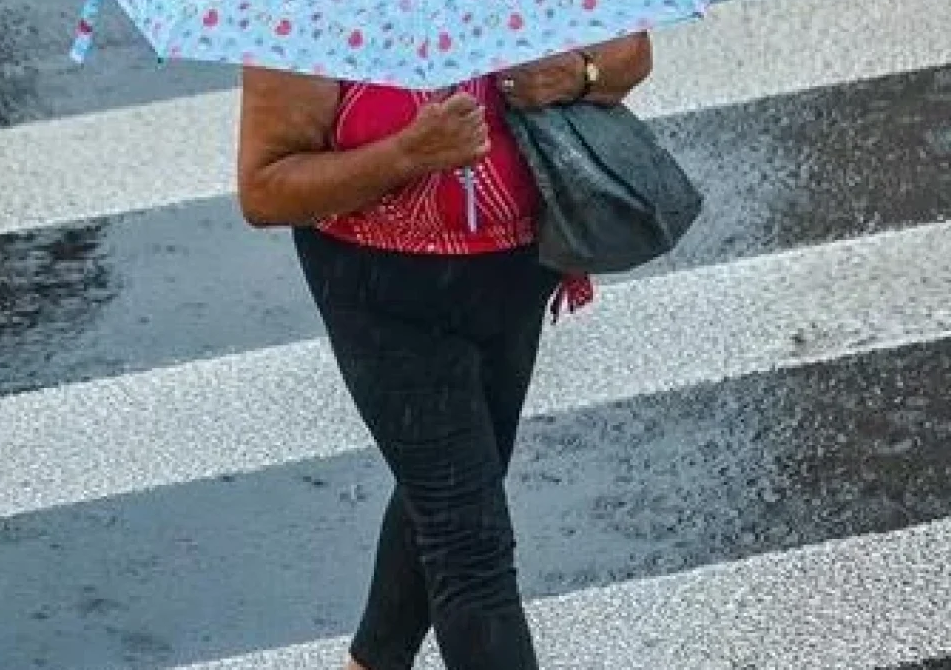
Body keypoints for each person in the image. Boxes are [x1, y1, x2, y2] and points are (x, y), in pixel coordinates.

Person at [235, 33, 653, 670]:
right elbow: (265, 190)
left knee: (456, 489)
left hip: (519, 268)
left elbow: (634, 53)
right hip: (382, 290)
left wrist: (577, 74)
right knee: (469, 544)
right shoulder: (307, 4)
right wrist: (408, 153)